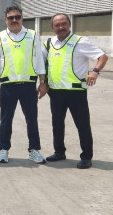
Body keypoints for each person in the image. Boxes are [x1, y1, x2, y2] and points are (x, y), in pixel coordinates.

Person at [45, 13, 108, 169]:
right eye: (57, 25)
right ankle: (59, 152)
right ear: (52, 27)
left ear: (69, 24)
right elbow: (44, 64)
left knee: (82, 125)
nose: (61, 27)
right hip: (56, 92)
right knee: (57, 124)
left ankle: (86, 156)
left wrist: (95, 72)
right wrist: (43, 83)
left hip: (76, 92)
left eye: (64, 24)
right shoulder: (49, 43)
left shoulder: (80, 42)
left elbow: (102, 57)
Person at [0, 4, 48, 164]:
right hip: (7, 85)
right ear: (5, 20)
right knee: (5, 119)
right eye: (11, 18)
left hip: (28, 85)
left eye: (17, 17)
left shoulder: (32, 35)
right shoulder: (0, 37)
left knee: (32, 119)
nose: (14, 20)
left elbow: (39, 60)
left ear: (22, 18)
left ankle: (34, 150)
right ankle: (3, 150)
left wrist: (42, 82)